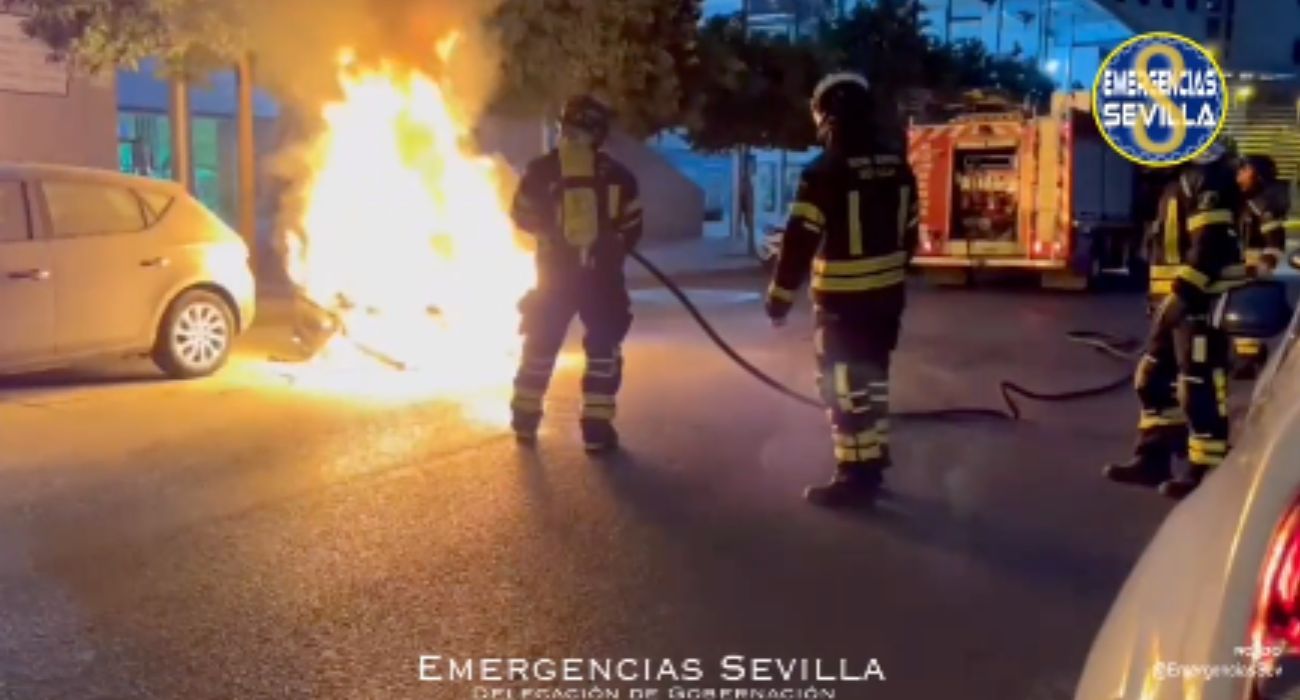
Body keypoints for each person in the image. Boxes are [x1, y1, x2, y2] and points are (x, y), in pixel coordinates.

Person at [764, 72, 919, 508]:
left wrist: (779, 296)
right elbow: (911, 234)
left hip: (842, 303)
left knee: (843, 386)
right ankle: (873, 461)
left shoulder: (823, 171)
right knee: (873, 380)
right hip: (888, 299)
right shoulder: (898, 164)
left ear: (826, 115)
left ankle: (855, 475)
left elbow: (799, 240)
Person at [1105, 138, 1248, 499]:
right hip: (1172, 303)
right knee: (1151, 379)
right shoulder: (1172, 183)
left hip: (1198, 302)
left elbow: (1209, 247)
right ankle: (1154, 457)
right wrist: (1160, 299)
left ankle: (1207, 470)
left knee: (1197, 386)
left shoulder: (1206, 180)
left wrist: (1182, 295)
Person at [507, 95, 643, 452]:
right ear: (598, 134)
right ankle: (596, 432)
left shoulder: (540, 171)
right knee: (602, 350)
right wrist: (608, 246)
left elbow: (521, 216)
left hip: (554, 277)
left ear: (564, 127)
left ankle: (524, 421)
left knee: (540, 344)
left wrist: (551, 232)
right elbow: (633, 228)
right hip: (602, 281)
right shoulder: (619, 176)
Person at [1231, 154, 1291, 378]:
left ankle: (1249, 360)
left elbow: (1275, 241)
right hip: (1239, 265)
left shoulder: (1262, 204)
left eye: (1244, 170)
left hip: (1253, 265)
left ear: (1256, 174)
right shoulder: (1242, 201)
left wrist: (1264, 266)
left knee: (1248, 314)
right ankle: (1243, 356)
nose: (1239, 175)